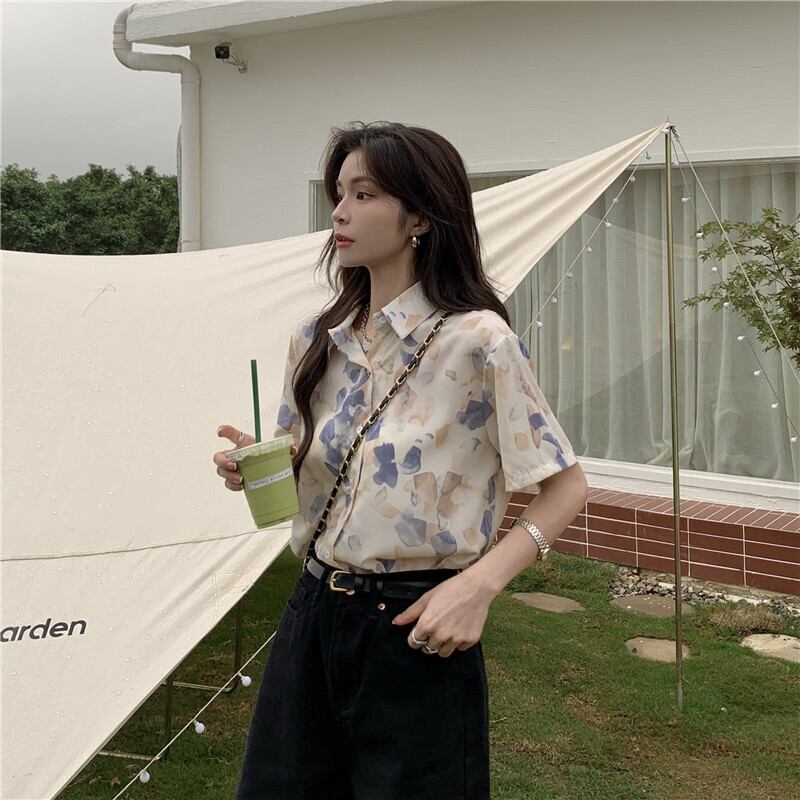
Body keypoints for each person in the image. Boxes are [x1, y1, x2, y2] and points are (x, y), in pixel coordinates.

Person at [213, 121, 589, 800]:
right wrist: (262, 467)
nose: (339, 211)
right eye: (338, 193)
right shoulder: (315, 340)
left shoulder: (478, 343)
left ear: (419, 216)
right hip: (312, 611)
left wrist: (480, 586)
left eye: (364, 194)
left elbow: (566, 488)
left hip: (416, 625)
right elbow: (312, 469)